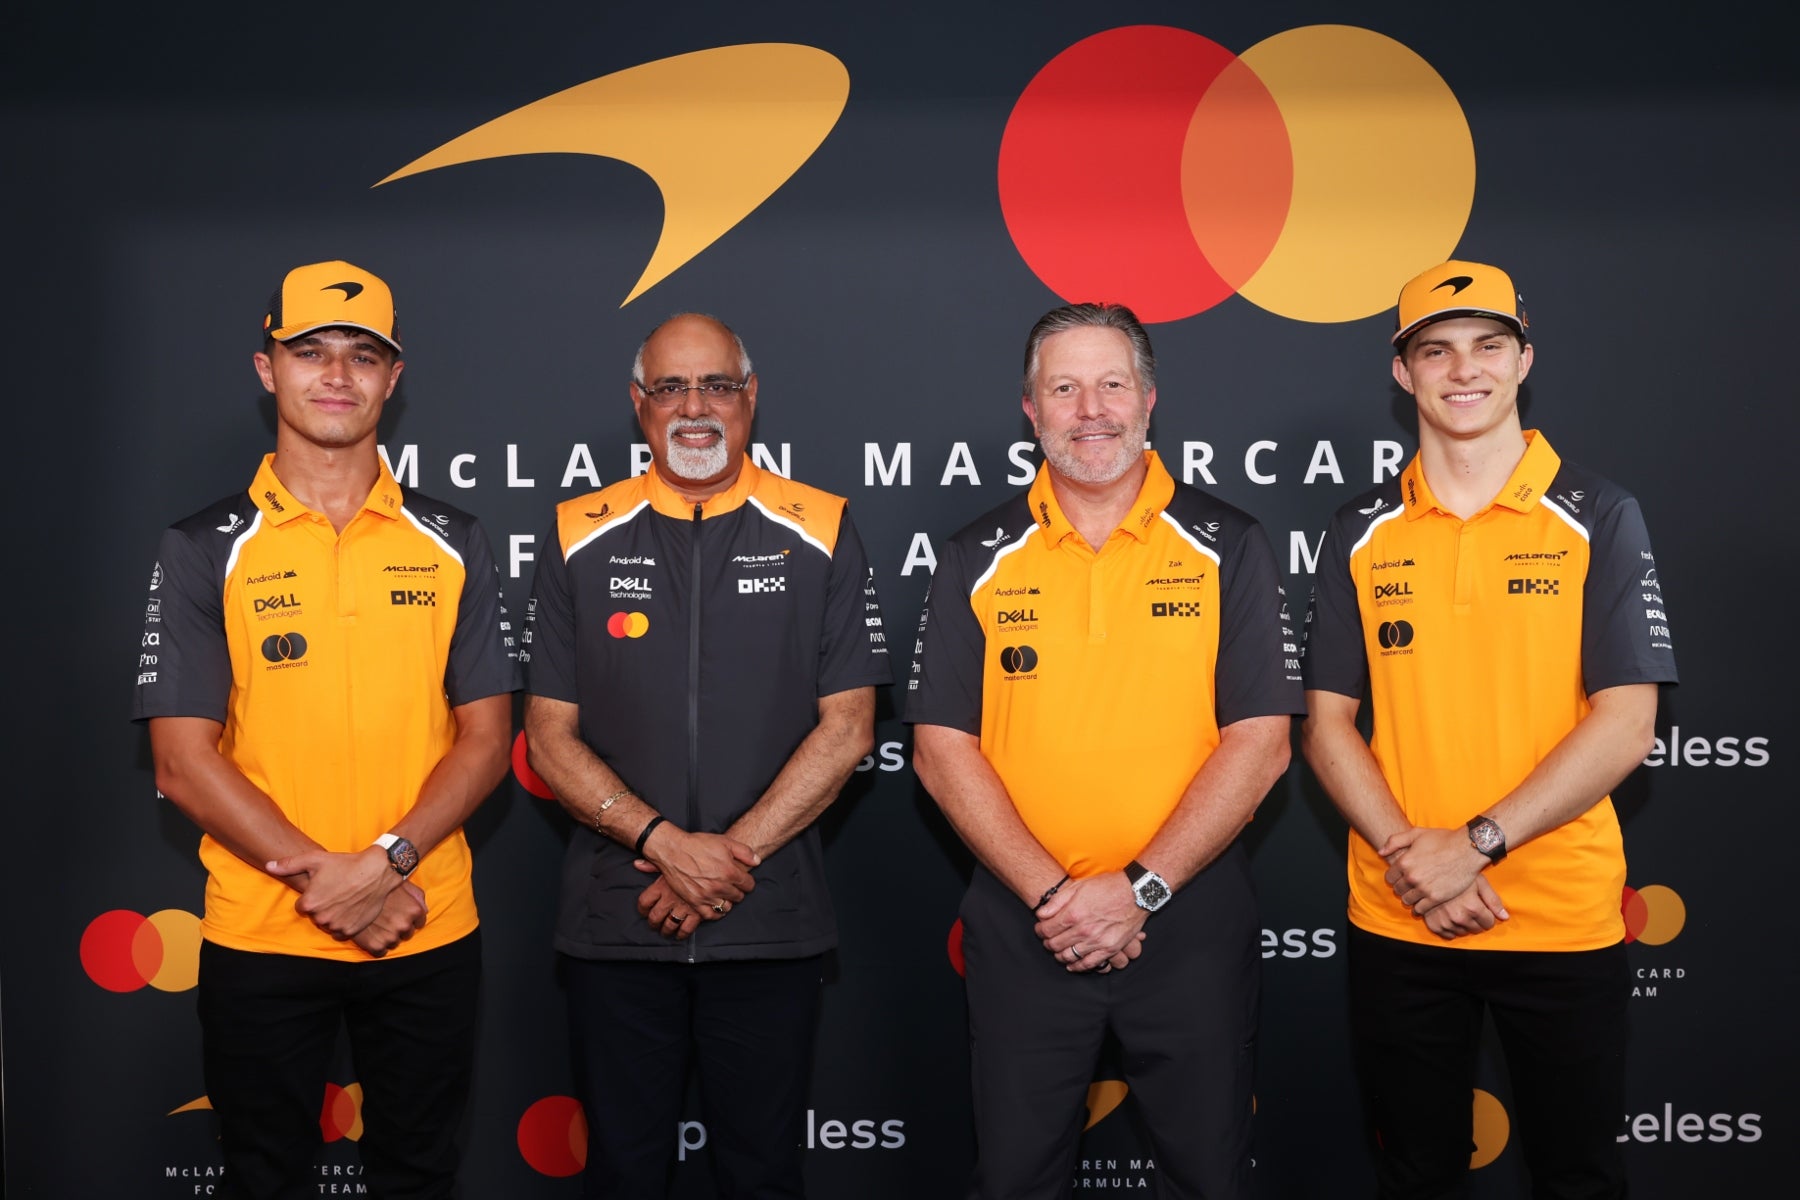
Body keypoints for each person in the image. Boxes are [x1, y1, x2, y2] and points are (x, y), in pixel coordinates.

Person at [132, 260, 519, 1198]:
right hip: (264, 935)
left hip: (424, 925)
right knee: (263, 1177)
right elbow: (183, 763)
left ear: (394, 377)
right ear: (268, 368)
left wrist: (384, 864)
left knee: (420, 1175)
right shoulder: (201, 548)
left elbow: (487, 738)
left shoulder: (454, 540)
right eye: (310, 351)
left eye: (362, 354)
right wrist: (335, 884)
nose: (336, 374)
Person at [906, 302, 1302, 1199]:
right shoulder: (976, 553)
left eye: (1112, 383)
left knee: (1207, 1177)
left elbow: (1262, 742)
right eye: (1065, 387)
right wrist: (1058, 898)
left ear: (1150, 400)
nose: (1092, 409)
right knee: (1012, 1179)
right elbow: (939, 750)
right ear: (1031, 410)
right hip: (1024, 924)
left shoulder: (1228, 544)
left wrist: (1141, 890)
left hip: (1191, 918)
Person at [1299, 260, 1677, 1198]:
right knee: (1415, 1174)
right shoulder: (1359, 527)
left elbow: (1628, 722)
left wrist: (1475, 845)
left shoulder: (1600, 513)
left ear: (1522, 361)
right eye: (1436, 350)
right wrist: (1411, 859)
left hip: (1559, 919)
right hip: (1402, 914)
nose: (1462, 370)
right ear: (1404, 374)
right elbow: (1326, 725)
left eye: (1486, 346)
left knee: (1578, 1177)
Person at [521, 312, 890, 1197]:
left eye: (717, 384)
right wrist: (664, 845)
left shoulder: (824, 527)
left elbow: (848, 728)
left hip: (766, 921)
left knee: (762, 1175)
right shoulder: (576, 533)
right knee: (623, 1174)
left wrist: (731, 858)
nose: (696, 406)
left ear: (751, 397)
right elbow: (547, 734)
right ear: (639, 403)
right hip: (620, 921)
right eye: (672, 387)